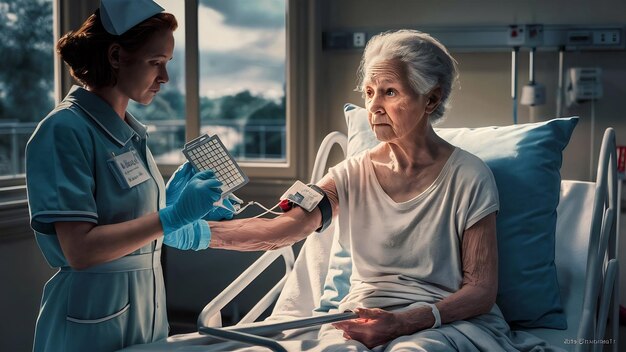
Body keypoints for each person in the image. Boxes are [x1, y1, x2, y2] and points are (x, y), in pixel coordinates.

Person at [196, 30, 562, 351]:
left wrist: (407, 323)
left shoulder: (469, 176)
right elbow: (282, 230)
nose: (373, 107)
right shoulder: (350, 173)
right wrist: (188, 232)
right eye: (369, 92)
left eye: (389, 92)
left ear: (430, 100)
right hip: (358, 318)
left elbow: (481, 291)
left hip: (442, 322)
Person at [25, 1, 233, 351]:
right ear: (117, 56)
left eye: (166, 64)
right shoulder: (64, 130)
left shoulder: (128, 134)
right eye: (156, 63)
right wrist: (172, 215)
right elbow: (80, 250)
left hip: (143, 313)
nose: (165, 78)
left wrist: (175, 203)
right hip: (90, 322)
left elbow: (126, 216)